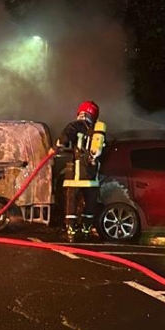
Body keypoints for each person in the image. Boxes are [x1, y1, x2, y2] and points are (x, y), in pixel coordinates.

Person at [56, 100, 107, 241]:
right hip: (91, 177)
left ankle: (71, 232)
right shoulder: (98, 131)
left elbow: (62, 141)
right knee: (90, 205)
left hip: (75, 176)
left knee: (71, 204)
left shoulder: (75, 125)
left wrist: (56, 146)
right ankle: (86, 231)